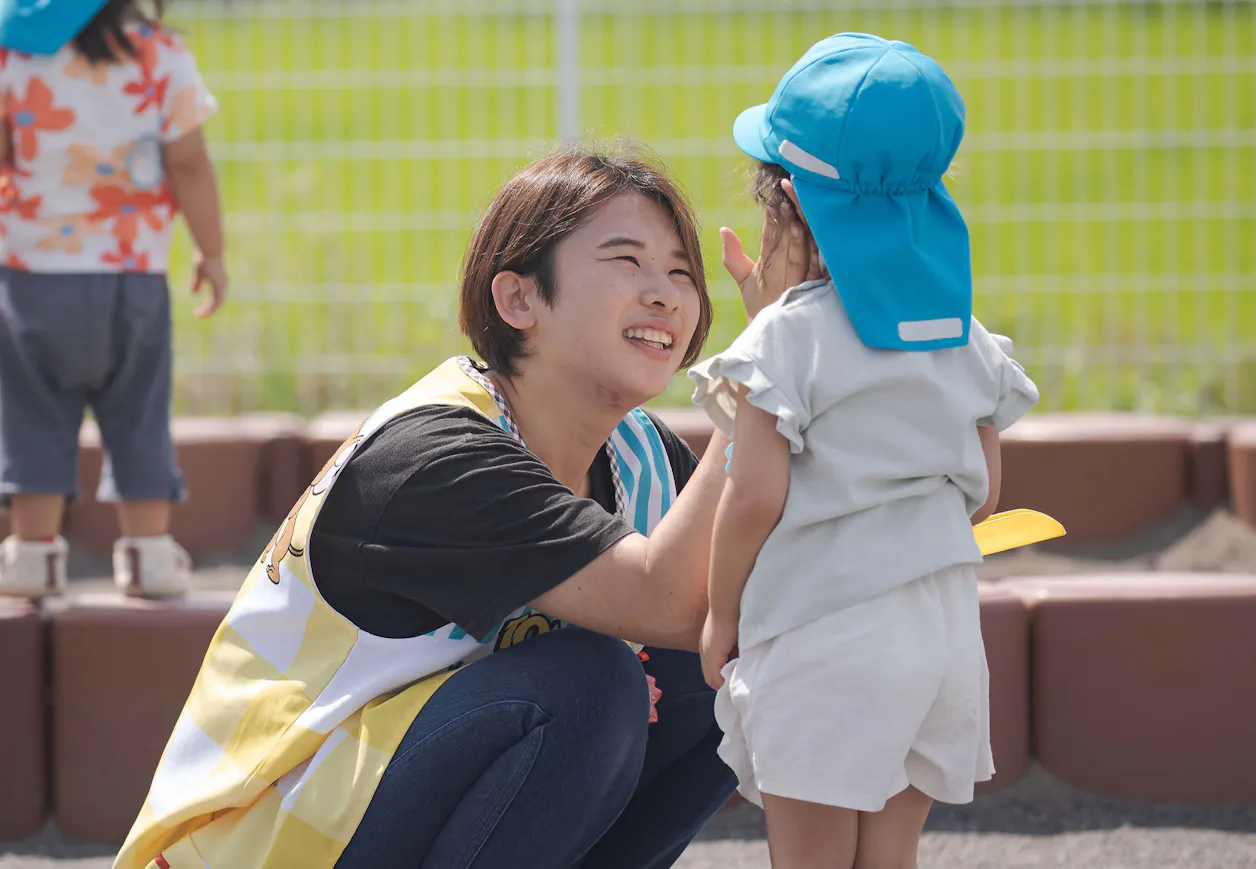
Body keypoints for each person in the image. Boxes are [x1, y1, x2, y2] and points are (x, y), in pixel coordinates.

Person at [112, 142, 821, 869]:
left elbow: (735, 597)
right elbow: (664, 599)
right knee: (589, 684)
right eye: (625, 261)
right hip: (258, 842)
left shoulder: (638, 456)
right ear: (517, 298)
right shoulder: (435, 454)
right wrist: (763, 362)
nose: (665, 293)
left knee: (720, 671)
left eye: (681, 272)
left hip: (361, 815)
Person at [688, 34, 1041, 869]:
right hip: (942, 639)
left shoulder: (786, 341)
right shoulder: (963, 338)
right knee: (889, 857)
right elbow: (985, 490)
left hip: (822, 639)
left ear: (795, 204)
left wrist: (718, 614)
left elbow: (753, 498)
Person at [0, 0, 225, 599]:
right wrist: (212, 251)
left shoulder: (12, 50)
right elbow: (189, 163)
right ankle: (150, 556)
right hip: (134, 279)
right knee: (138, 413)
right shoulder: (159, 53)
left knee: (33, 414)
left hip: (31, 278)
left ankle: (33, 557)